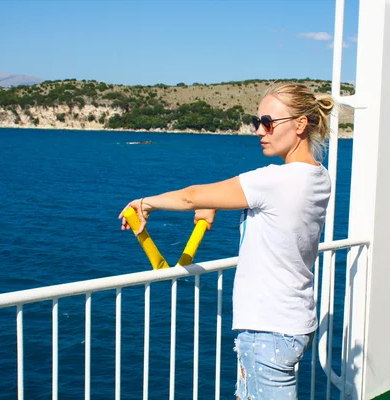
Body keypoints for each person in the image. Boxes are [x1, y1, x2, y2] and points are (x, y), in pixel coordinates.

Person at [119, 82, 334, 399]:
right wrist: (218, 203)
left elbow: (191, 197)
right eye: (257, 122)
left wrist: (144, 202)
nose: (260, 130)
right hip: (295, 320)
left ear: (300, 125)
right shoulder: (318, 176)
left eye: (269, 123)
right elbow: (273, 207)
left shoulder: (273, 180)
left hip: (268, 329)